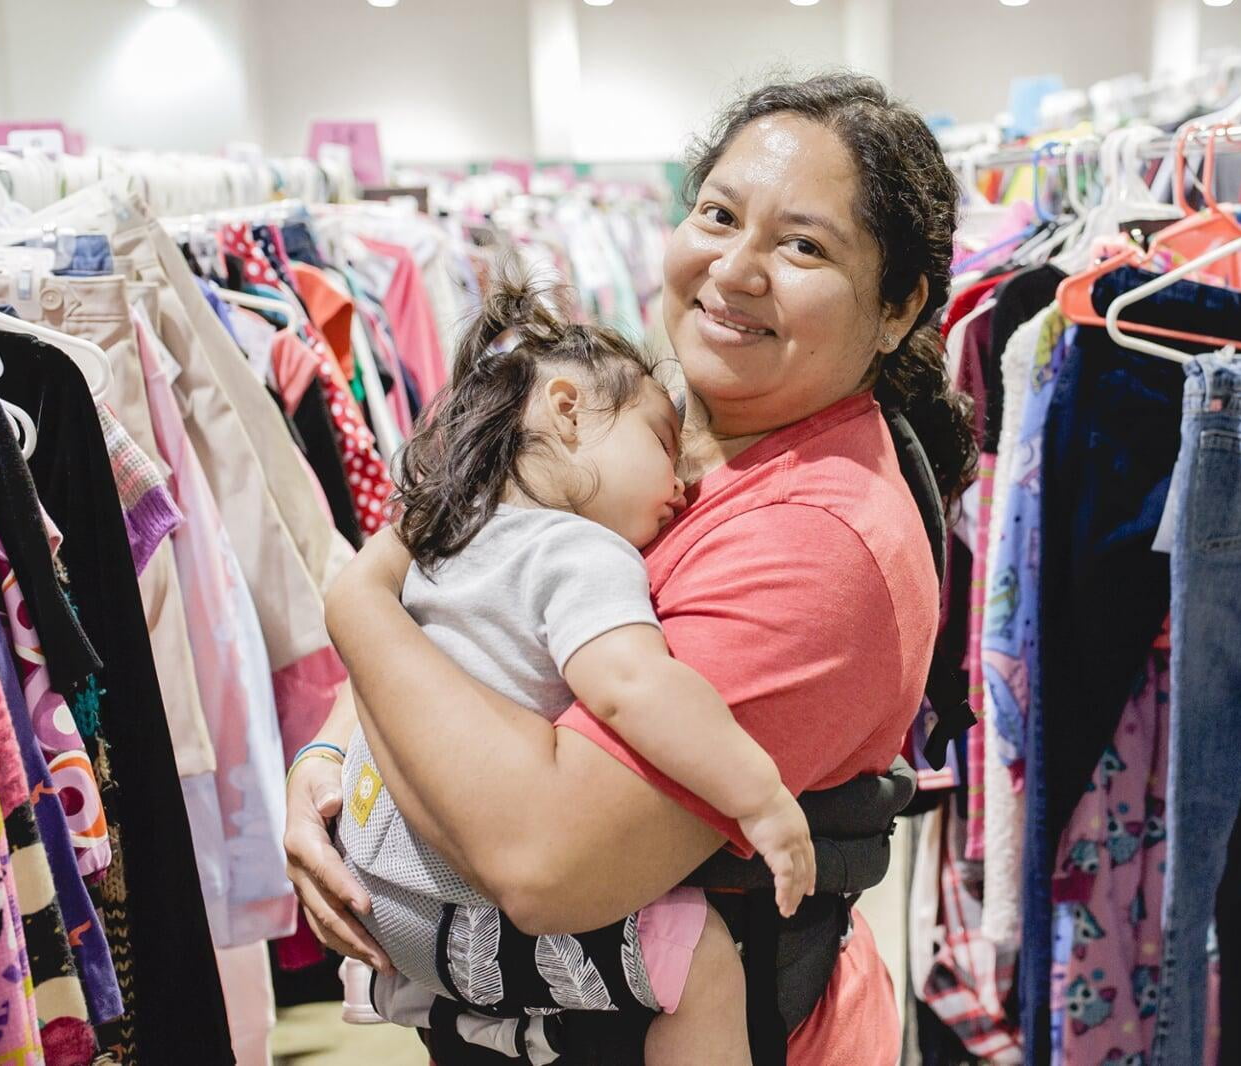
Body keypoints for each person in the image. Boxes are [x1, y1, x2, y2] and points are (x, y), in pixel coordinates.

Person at [285, 71, 976, 1064]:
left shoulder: (818, 543)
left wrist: (358, 606)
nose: (735, 269)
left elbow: (541, 858)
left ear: (897, 306)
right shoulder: (645, 421)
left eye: (803, 245)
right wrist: (324, 764)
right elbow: (464, 605)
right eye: (718, 213)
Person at [331, 269, 817, 1065]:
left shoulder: (445, 537)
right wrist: (758, 796)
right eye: (664, 441)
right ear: (565, 410)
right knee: (700, 958)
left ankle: (484, 1020)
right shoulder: (579, 549)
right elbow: (633, 686)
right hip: (469, 913)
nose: (687, 481)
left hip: (382, 905)